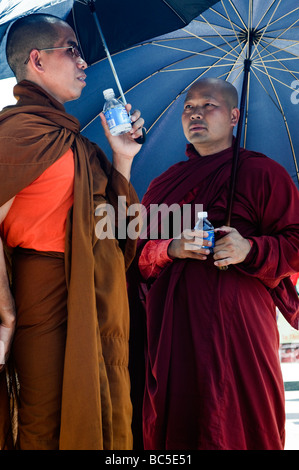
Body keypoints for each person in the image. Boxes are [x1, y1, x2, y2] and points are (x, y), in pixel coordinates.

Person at [0, 13, 144, 450]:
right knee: (46, 422)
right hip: (41, 296)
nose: (85, 62)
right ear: (38, 60)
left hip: (97, 298)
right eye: (73, 50)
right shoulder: (19, 132)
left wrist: (122, 159)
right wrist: (3, 300)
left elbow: (117, 232)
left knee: (104, 417)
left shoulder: (76, 142)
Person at [130, 78, 299, 450]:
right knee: (179, 423)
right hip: (175, 330)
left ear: (235, 115)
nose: (196, 114)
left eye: (210, 105)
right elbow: (137, 259)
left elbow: (296, 242)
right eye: (189, 107)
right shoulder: (163, 184)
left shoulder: (263, 174)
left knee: (243, 421)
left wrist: (249, 249)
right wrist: (170, 249)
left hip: (241, 327)